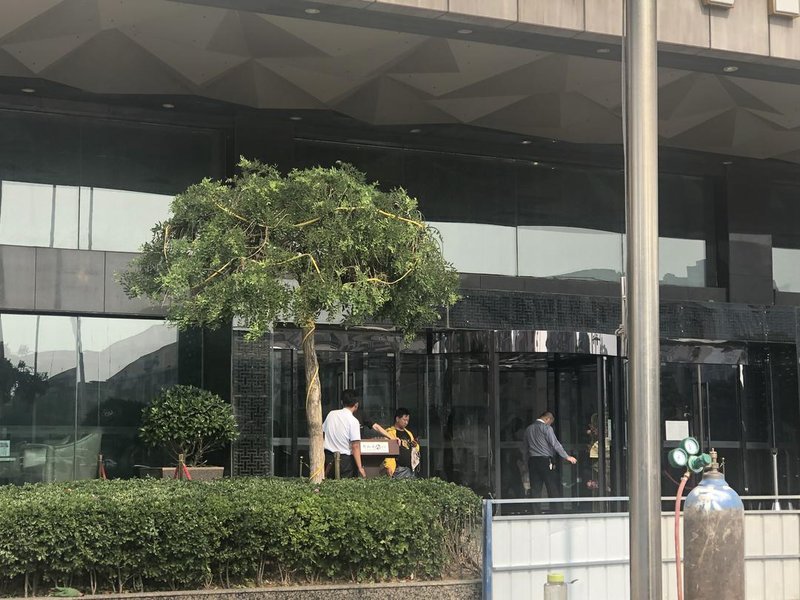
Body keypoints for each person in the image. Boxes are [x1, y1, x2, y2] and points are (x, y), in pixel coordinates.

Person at [521, 411, 577, 512]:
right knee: (551, 486)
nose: (550, 424)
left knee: (535, 488)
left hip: (532, 461)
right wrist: (567, 456)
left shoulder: (528, 429)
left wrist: (525, 462)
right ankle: (557, 511)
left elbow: (525, 448)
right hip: (545, 460)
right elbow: (555, 444)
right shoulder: (546, 428)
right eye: (550, 422)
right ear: (547, 419)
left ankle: (535, 513)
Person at [322, 389, 366, 478]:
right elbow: (355, 446)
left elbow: (322, 434)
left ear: (342, 402)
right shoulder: (353, 421)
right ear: (356, 404)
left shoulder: (331, 414)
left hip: (328, 458)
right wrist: (360, 467)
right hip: (345, 461)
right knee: (345, 485)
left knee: (328, 483)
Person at [383, 407, 420, 479]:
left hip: (410, 469)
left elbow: (415, 450)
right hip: (397, 469)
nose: (406, 422)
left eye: (407, 420)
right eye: (404, 420)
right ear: (397, 419)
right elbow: (387, 452)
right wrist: (388, 466)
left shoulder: (408, 433)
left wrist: (416, 445)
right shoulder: (390, 433)